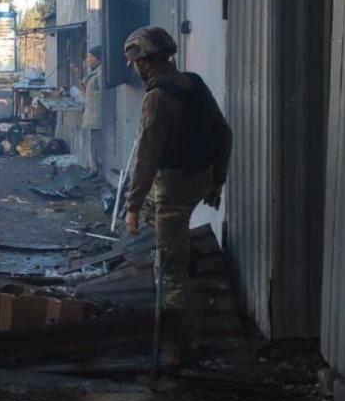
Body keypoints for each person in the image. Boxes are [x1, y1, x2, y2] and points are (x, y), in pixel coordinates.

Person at [122, 26, 232, 369]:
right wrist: (217, 181)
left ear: (147, 62)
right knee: (167, 237)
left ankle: (176, 348)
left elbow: (147, 157)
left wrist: (132, 206)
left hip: (173, 185)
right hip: (199, 179)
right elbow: (224, 133)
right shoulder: (194, 83)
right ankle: (173, 250)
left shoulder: (158, 96)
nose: (136, 69)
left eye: (136, 62)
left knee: (170, 268)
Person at [78, 45, 103, 173]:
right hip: (91, 116)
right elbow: (88, 93)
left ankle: (98, 172)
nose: (87, 60)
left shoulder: (100, 74)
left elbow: (102, 96)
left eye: (90, 57)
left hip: (97, 116)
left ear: (97, 59)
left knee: (98, 146)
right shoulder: (93, 73)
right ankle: (94, 170)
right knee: (93, 145)